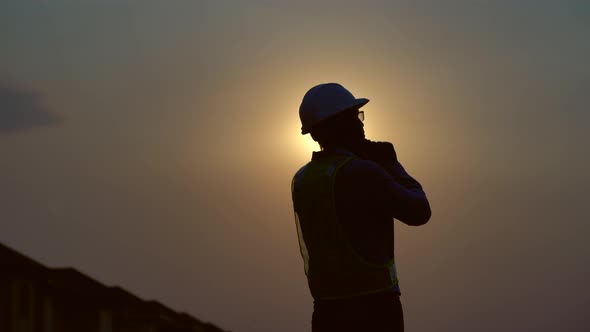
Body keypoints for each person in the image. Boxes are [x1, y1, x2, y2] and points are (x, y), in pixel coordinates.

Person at [291, 83, 431, 332]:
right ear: (340, 124)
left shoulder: (302, 179)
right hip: (373, 309)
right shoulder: (361, 171)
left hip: (326, 312)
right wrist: (391, 164)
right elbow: (419, 211)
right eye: (355, 117)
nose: (362, 124)